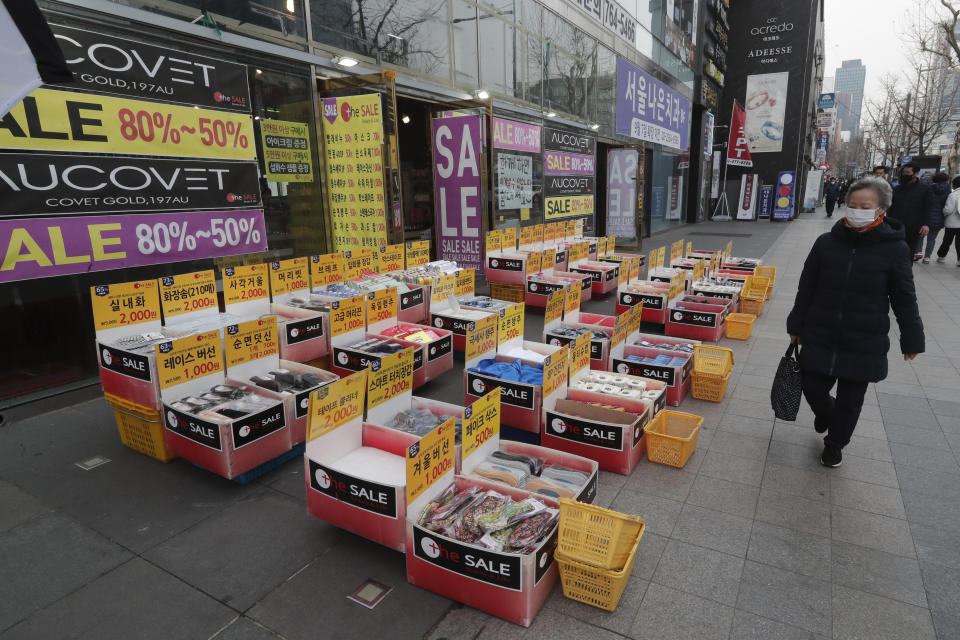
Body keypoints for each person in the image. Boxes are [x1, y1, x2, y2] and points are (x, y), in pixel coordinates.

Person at [787, 176, 924, 467]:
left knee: (851, 400)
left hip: (864, 339)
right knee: (811, 386)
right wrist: (796, 326)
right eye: (852, 205)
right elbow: (806, 287)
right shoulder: (826, 243)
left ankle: (835, 444)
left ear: (881, 209)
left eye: (865, 206)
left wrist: (912, 337)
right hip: (821, 331)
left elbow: (904, 296)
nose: (857, 211)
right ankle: (826, 412)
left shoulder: (895, 249)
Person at [886, 162, 935, 261]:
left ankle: (905, 274)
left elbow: (929, 208)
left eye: (908, 172)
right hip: (896, 227)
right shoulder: (897, 189)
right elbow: (890, 207)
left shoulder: (925, 189)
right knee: (893, 254)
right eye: (903, 172)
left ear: (916, 173)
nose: (905, 175)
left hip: (913, 228)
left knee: (908, 255)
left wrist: (926, 224)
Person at [921, 172, 951, 263]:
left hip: (925, 215)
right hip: (939, 217)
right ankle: (927, 257)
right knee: (932, 239)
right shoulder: (948, 191)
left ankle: (918, 252)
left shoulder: (929, 188)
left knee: (920, 235)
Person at [937, 175, 960, 265]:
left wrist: (943, 212)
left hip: (951, 223)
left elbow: (948, 209)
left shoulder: (952, 195)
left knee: (947, 241)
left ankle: (941, 256)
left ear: (954, 184)